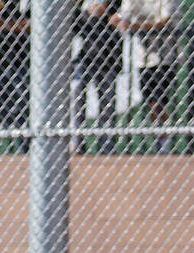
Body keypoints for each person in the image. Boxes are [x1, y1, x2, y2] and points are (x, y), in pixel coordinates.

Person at [112, 0, 181, 153]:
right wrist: (118, 19)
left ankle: (166, 142)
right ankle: (160, 138)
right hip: (143, 56)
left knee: (160, 100)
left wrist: (137, 26)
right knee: (152, 101)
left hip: (165, 55)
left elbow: (167, 21)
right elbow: (123, 15)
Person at [72, 1, 124, 154]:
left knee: (107, 104)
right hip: (86, 57)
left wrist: (106, 8)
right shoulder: (83, 12)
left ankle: (106, 147)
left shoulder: (114, 7)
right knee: (77, 96)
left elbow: (121, 10)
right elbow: (74, 21)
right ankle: (77, 144)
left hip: (108, 58)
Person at [0, 0, 31, 153]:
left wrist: (6, 25)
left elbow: (35, 25)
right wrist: (19, 26)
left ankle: (24, 150)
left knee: (23, 104)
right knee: (0, 106)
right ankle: (2, 150)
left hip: (23, 59)